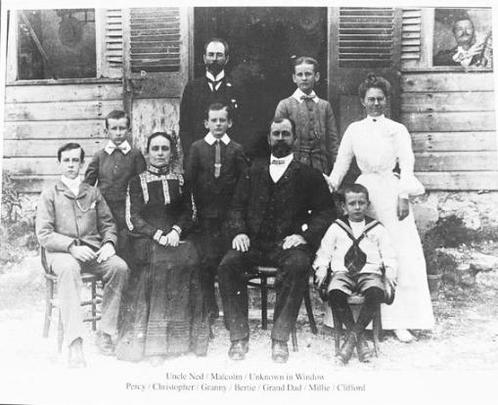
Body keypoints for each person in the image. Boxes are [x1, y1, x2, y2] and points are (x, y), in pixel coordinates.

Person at [326, 73, 434, 343]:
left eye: (380, 99)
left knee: (399, 251)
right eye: (370, 99)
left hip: (391, 191)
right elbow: (341, 164)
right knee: (364, 251)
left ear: (386, 101)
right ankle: (361, 318)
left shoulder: (397, 129)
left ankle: (401, 320)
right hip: (365, 193)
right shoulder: (354, 129)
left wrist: (404, 195)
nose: (375, 103)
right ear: (362, 101)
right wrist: (330, 184)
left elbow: (407, 164)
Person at [218, 117, 335, 363]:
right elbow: (235, 207)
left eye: (285, 134)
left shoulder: (309, 175)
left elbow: (326, 212)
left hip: (288, 246)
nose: (280, 138)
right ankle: (239, 337)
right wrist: (239, 231)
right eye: (276, 134)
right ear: (269, 139)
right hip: (254, 244)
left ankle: (279, 339)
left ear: (294, 138)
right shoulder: (252, 172)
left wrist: (303, 236)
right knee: (228, 264)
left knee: (298, 265)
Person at [116, 132, 209, 364]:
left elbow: (191, 212)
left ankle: (181, 340)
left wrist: (176, 231)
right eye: (155, 148)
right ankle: (153, 344)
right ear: (147, 152)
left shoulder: (181, 180)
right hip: (147, 240)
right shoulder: (136, 182)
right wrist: (157, 234)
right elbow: (132, 218)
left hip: (176, 239)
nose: (159, 153)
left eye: (164, 148)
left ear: (172, 152)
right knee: (158, 261)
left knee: (189, 257)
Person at [36, 143, 129, 368]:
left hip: (92, 251)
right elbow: (44, 234)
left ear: (81, 163)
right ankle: (75, 342)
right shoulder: (50, 194)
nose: (70, 165)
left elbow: (108, 223)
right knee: (69, 269)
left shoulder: (92, 192)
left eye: (75, 160)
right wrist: (71, 247)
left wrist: (108, 243)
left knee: (119, 267)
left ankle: (106, 333)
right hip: (61, 254)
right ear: (60, 163)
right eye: (66, 160)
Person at [314, 184, 397, 364]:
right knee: (335, 293)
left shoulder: (377, 228)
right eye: (352, 203)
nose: (357, 207)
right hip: (343, 273)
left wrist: (390, 270)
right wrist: (321, 267)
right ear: (344, 206)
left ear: (367, 204)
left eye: (361, 203)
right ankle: (359, 341)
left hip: (369, 273)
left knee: (375, 292)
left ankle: (350, 342)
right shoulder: (336, 227)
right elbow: (324, 251)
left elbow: (388, 253)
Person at [187, 102, 249, 326]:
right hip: (204, 221)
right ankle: (209, 309)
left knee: (228, 264)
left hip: (228, 221)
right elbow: (190, 183)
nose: (218, 124)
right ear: (206, 123)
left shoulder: (236, 149)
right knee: (204, 262)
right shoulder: (197, 148)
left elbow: (243, 186)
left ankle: (232, 315)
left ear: (229, 122)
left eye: (222, 120)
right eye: (214, 120)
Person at [84, 110, 146, 261]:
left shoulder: (135, 155)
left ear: (129, 130)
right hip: (104, 209)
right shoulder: (100, 156)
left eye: (122, 128)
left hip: (127, 210)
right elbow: (87, 185)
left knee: (126, 245)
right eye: (114, 128)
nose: (118, 133)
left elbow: (144, 183)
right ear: (107, 131)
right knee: (106, 242)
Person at [179, 38, 246, 160]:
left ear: (227, 59)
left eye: (219, 55)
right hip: (199, 156)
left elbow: (243, 125)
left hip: (229, 157)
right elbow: (185, 126)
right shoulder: (192, 88)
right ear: (204, 58)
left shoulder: (237, 88)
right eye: (211, 55)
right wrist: (191, 155)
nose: (214, 59)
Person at [274, 56, 339, 174]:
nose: (304, 78)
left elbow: (333, 142)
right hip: (293, 168)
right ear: (294, 78)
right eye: (300, 74)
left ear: (317, 76)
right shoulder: (285, 105)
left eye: (308, 74)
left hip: (321, 168)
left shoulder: (325, 106)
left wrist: (337, 172)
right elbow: (278, 141)